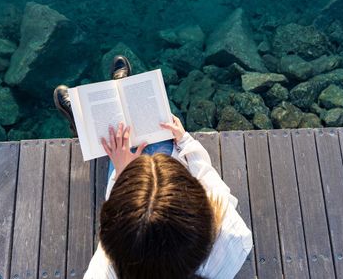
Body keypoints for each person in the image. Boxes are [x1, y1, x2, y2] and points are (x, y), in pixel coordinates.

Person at [54, 55, 253, 279]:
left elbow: (116, 216)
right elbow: (209, 180)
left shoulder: (103, 269)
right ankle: (114, 102)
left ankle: (88, 121)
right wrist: (184, 140)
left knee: (121, 140)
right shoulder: (231, 236)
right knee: (157, 133)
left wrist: (122, 171)